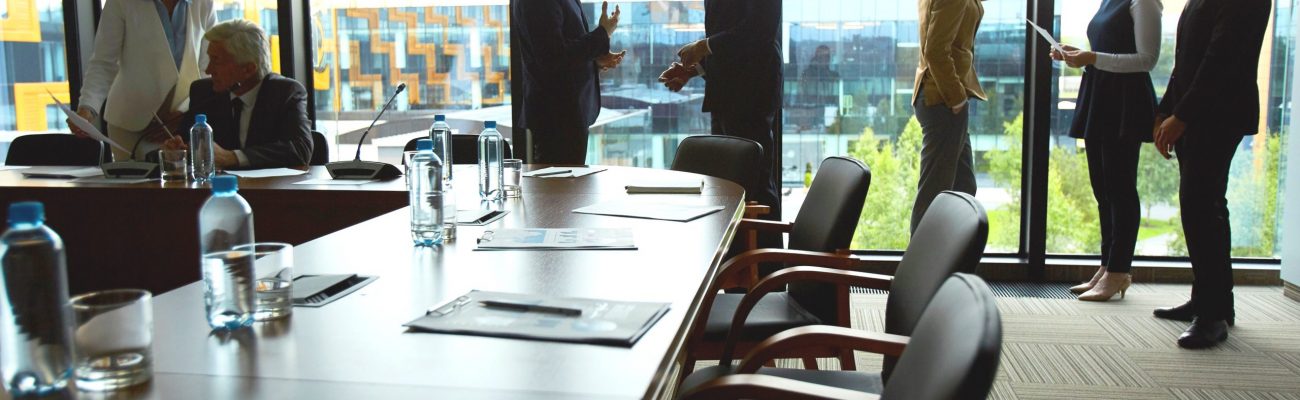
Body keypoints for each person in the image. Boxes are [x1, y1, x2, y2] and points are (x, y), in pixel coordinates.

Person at [1151, 0, 1271, 349]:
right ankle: (1211, 300)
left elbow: (1222, 57)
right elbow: (1186, 60)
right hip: (1195, 113)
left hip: (1219, 114)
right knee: (1207, 206)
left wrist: (1182, 115)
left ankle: (1213, 315)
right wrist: (1166, 110)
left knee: (1200, 205)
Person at [1053, 0, 1162, 302]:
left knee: (1120, 187)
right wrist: (1077, 54)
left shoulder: (1144, 2)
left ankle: (1119, 270)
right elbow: (1106, 49)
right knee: (1102, 188)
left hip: (1124, 100)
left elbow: (1147, 59)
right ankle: (1108, 266)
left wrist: (1093, 57)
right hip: (1100, 94)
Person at [658, 0, 784, 250]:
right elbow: (731, 32)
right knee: (731, 186)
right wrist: (696, 69)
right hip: (727, 93)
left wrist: (704, 46)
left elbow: (760, 30)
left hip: (751, 93)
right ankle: (738, 272)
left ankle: (767, 274)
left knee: (755, 186)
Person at [73, 0, 215, 161]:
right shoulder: (121, 3)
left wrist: (186, 114)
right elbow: (103, 62)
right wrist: (86, 109)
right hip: (130, 122)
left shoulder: (203, 3)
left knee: (183, 183)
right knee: (135, 183)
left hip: (181, 120)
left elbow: (208, 69)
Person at [163, 19, 312, 169]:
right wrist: (176, 153)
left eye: (216, 61)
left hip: (269, 189)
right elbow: (186, 145)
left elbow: (300, 149)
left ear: (248, 69)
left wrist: (233, 157)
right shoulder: (203, 92)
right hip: (214, 188)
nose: (208, 70)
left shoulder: (285, 93)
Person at [514, 0, 626, 165]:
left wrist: (594, 61)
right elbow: (552, 56)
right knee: (559, 187)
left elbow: (562, 52)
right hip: (557, 116)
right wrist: (603, 33)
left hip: (569, 114)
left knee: (569, 186)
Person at [910, 0, 987, 233]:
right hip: (943, 99)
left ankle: (951, 261)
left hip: (943, 98)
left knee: (964, 186)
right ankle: (922, 267)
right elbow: (935, 50)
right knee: (934, 195)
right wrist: (957, 98)